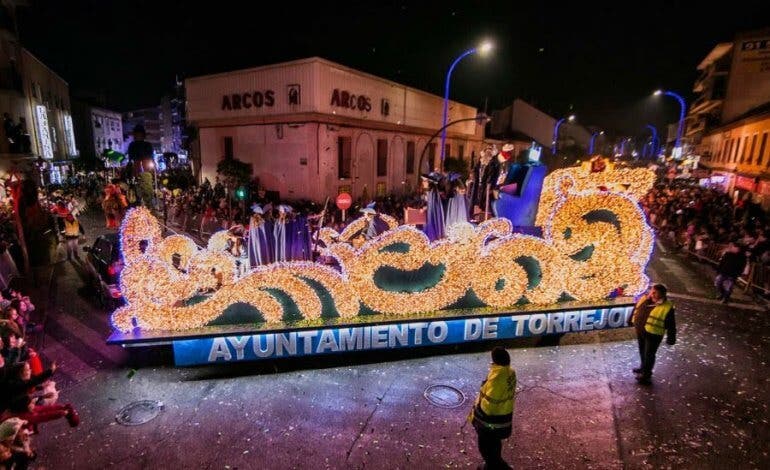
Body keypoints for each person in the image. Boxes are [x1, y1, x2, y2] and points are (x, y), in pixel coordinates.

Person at [470, 347, 516, 470]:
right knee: (495, 445)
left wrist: (477, 413)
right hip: (503, 418)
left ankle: (491, 467)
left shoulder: (497, 378)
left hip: (490, 421)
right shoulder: (510, 372)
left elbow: (489, 406)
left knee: (485, 448)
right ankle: (497, 464)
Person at [629, 283, 676, 385]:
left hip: (653, 335)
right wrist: (630, 320)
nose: (652, 294)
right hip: (641, 331)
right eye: (652, 291)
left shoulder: (667, 307)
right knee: (642, 351)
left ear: (662, 295)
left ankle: (646, 375)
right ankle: (642, 368)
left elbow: (671, 324)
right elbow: (636, 309)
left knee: (649, 354)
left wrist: (671, 338)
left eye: (655, 292)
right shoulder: (645, 298)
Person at [421, 172, 445, 241]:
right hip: (429, 213)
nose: (423, 183)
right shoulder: (430, 191)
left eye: (425, 181)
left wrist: (425, 208)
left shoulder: (433, 192)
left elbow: (432, 205)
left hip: (431, 214)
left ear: (429, 182)